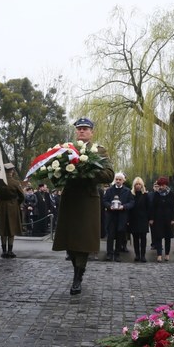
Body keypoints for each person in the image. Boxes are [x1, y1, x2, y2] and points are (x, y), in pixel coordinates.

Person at [52, 117, 114, 295]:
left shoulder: (99, 150)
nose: (82, 131)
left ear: (92, 132)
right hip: (70, 199)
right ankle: (77, 267)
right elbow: (56, 172)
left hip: (88, 199)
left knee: (84, 240)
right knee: (70, 239)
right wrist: (56, 174)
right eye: (79, 129)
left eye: (85, 129)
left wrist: (87, 172)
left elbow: (109, 174)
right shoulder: (66, 150)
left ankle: (77, 277)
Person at [0, 163, 25, 258]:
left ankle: (4, 251)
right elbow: (22, 196)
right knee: (12, 229)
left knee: (3, 229)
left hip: (3, 206)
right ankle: (10, 251)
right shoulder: (15, 183)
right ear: (11, 171)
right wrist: (17, 203)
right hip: (13, 206)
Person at [102, 172, 134, 262]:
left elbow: (131, 202)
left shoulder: (127, 191)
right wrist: (109, 206)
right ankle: (109, 254)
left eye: (120, 179)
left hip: (122, 216)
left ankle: (117, 254)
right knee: (110, 236)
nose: (118, 181)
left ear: (123, 181)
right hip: (111, 216)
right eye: (116, 179)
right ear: (114, 180)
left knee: (120, 236)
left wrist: (124, 206)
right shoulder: (109, 190)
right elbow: (104, 201)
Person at [149, 176, 174, 262]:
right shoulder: (156, 194)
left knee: (167, 237)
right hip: (158, 218)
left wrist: (173, 219)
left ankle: (167, 254)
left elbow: (173, 207)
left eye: (162, 185)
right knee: (158, 237)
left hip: (168, 218)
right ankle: (159, 254)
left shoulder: (171, 194)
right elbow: (152, 207)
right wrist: (151, 218)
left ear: (166, 185)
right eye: (159, 185)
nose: (161, 187)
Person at [128, 177, 150, 263]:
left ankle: (143, 255)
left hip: (143, 219)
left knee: (143, 238)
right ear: (134, 185)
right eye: (136, 184)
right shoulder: (131, 195)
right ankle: (137, 255)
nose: (138, 186)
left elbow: (149, 208)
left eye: (139, 184)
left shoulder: (145, 195)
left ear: (142, 185)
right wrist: (128, 220)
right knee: (135, 238)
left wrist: (149, 218)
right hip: (133, 219)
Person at [148, 181, 160, 251]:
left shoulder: (162, 194)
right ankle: (153, 244)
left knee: (160, 231)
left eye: (158, 186)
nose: (157, 188)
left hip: (160, 216)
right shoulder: (150, 195)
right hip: (152, 216)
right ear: (153, 187)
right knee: (153, 231)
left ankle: (159, 244)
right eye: (155, 186)